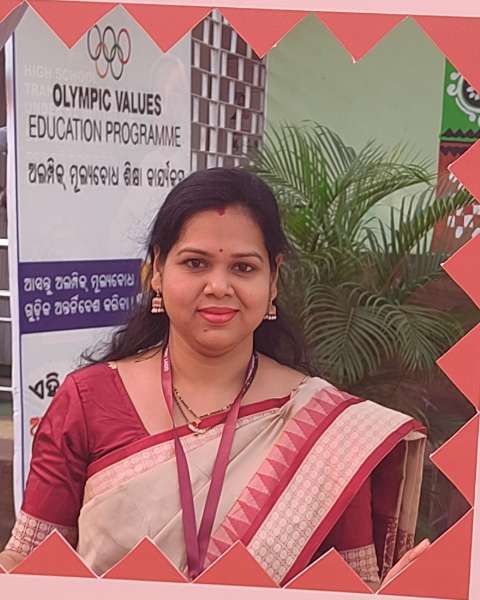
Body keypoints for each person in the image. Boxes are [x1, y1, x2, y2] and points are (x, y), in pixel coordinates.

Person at [0, 168, 428, 588]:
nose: (219, 286)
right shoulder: (87, 400)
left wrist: (395, 594)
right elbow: (29, 559)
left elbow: (353, 585)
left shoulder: (326, 431)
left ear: (273, 280)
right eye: (195, 263)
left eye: (243, 268)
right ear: (157, 272)